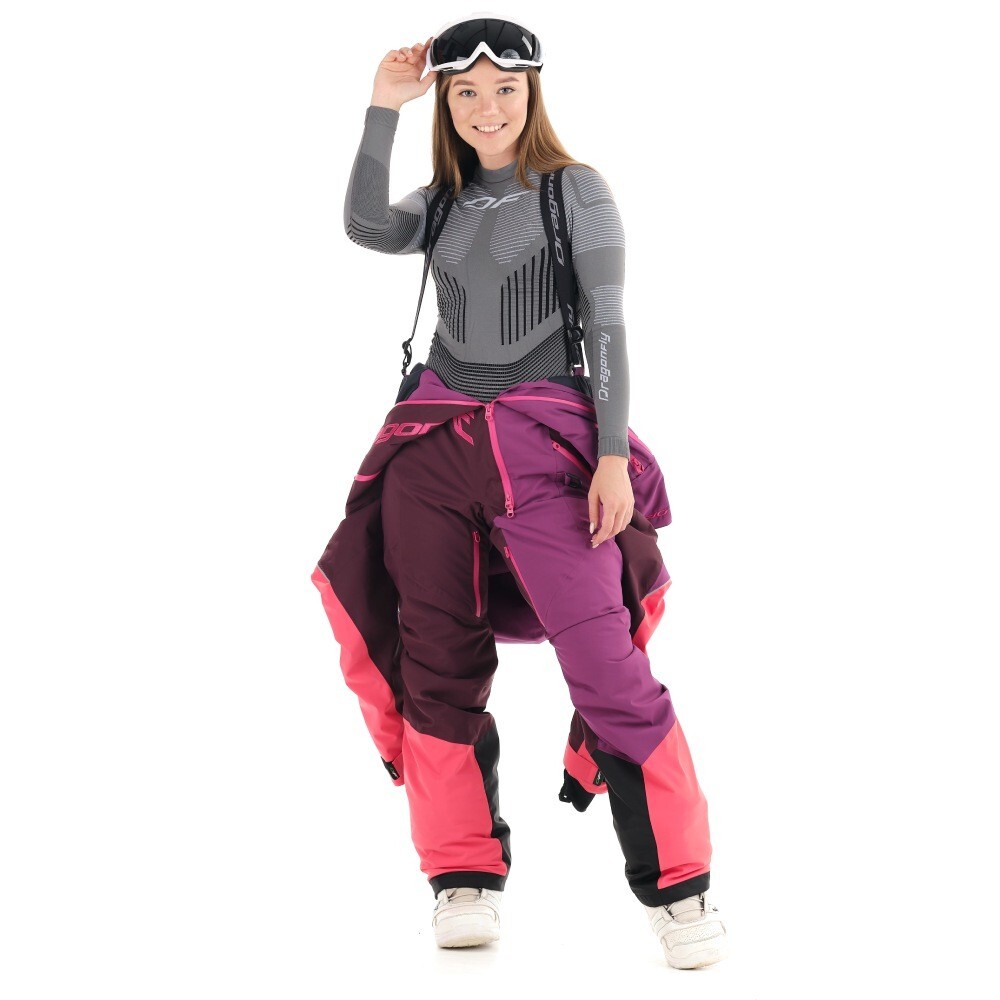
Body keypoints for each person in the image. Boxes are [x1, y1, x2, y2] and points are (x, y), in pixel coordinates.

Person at [330, 13, 728, 968]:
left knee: (603, 661)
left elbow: (608, 323)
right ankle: (461, 875)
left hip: (546, 446)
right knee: (436, 661)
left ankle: (680, 892)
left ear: (532, 92)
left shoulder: (574, 190)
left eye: (504, 90)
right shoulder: (444, 200)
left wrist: (608, 456)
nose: (486, 108)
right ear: (449, 103)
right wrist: (383, 109)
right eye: (466, 92)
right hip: (433, 448)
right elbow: (364, 225)